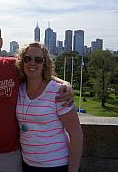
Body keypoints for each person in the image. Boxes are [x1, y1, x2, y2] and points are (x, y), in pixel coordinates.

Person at [0, 20, 74, 172]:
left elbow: (37, 72)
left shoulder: (13, 66)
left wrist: (65, 84)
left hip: (10, 152)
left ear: (1, 42)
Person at [16, 42, 83, 172]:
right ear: (22, 62)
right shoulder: (19, 89)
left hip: (56, 165)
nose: (32, 63)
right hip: (27, 163)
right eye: (27, 59)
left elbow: (76, 134)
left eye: (38, 59)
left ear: (44, 63)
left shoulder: (58, 92)